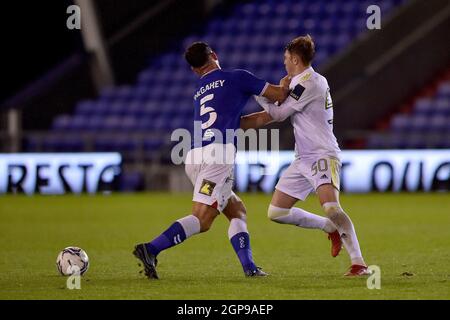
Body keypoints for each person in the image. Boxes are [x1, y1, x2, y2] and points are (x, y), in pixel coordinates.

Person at [133, 41, 290, 279]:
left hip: (195, 155)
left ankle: (250, 268)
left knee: (237, 211)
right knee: (202, 219)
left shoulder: (201, 89)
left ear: (195, 70)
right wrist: (287, 83)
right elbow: (280, 95)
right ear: (214, 55)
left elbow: (242, 123)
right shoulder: (237, 78)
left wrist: (271, 116)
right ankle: (151, 248)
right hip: (217, 157)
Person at [240, 35, 370, 276]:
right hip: (303, 158)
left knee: (331, 206)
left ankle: (359, 263)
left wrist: (257, 91)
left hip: (322, 153)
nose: (284, 63)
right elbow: (274, 113)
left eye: (286, 59)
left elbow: (278, 115)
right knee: (276, 213)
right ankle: (329, 228)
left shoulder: (310, 82)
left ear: (296, 59)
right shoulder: (300, 82)